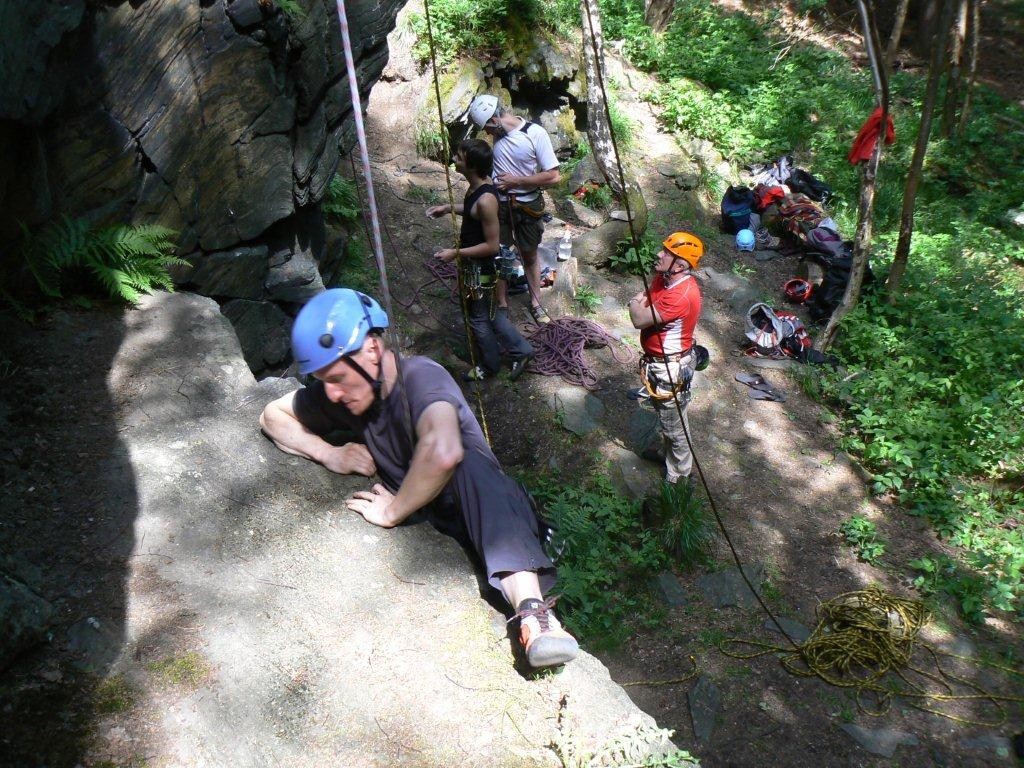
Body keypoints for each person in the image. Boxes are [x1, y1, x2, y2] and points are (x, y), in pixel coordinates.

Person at [259, 288, 578, 669]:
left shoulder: (422, 377)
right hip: (432, 516)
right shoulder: (352, 391)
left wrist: (392, 511)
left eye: (337, 378)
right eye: (323, 380)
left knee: (469, 464)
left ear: (372, 351)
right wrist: (330, 453)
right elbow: (272, 416)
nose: (332, 392)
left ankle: (533, 615)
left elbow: (443, 452)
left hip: (483, 510)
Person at [426, 139, 535, 382]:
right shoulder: (478, 187)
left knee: (478, 317)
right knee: (493, 313)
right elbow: (472, 209)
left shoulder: (487, 199)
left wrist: (456, 253)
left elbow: (492, 245)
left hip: (480, 267)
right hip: (476, 264)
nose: (455, 159)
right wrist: (448, 208)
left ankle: (489, 365)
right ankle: (522, 350)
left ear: (472, 166)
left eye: (460, 157)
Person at [468, 94, 560, 325]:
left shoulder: (534, 133)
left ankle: (537, 303)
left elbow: (553, 175)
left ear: (494, 121)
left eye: (487, 128)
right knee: (500, 255)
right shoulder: (498, 140)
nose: (487, 134)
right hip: (501, 205)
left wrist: (516, 182)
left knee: (529, 255)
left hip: (527, 205)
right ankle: (501, 304)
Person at [628, 232, 704, 485]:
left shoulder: (681, 295)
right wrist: (642, 302)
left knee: (675, 425)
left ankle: (679, 476)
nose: (659, 254)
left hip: (669, 369)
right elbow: (647, 296)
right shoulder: (664, 278)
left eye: (666, 253)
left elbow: (639, 317)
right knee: (667, 417)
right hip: (659, 364)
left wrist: (633, 303)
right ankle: (669, 455)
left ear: (680, 265)